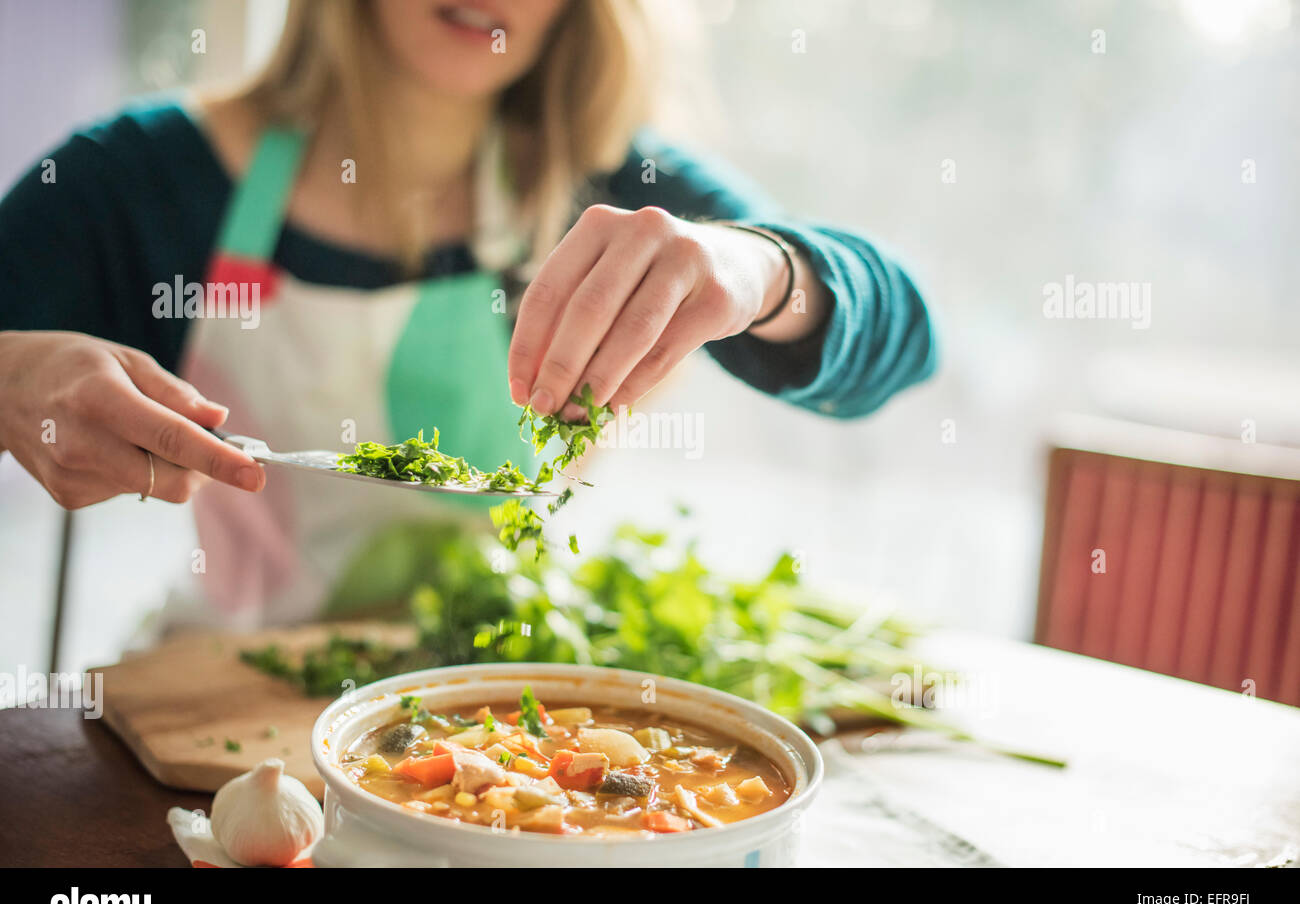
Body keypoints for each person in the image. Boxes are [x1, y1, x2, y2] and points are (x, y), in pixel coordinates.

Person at [0, 0, 936, 628]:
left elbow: (909, 336)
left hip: (510, 728)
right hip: (226, 722)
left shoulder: (609, 178)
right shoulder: (147, 179)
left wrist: (761, 268)